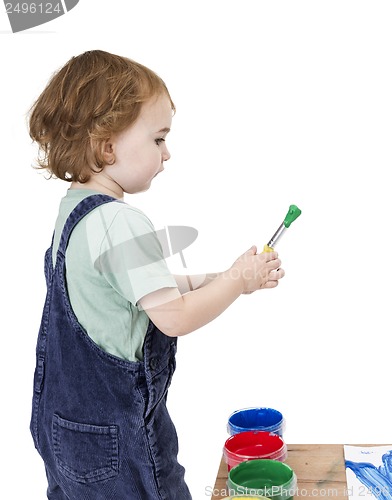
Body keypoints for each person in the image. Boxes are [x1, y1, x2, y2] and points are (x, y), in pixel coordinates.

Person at [28, 50, 284, 500]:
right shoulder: (120, 222)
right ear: (107, 146)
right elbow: (174, 317)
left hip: (65, 429)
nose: (168, 153)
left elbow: (139, 292)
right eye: (158, 139)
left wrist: (224, 276)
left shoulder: (74, 211)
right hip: (116, 440)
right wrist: (238, 283)